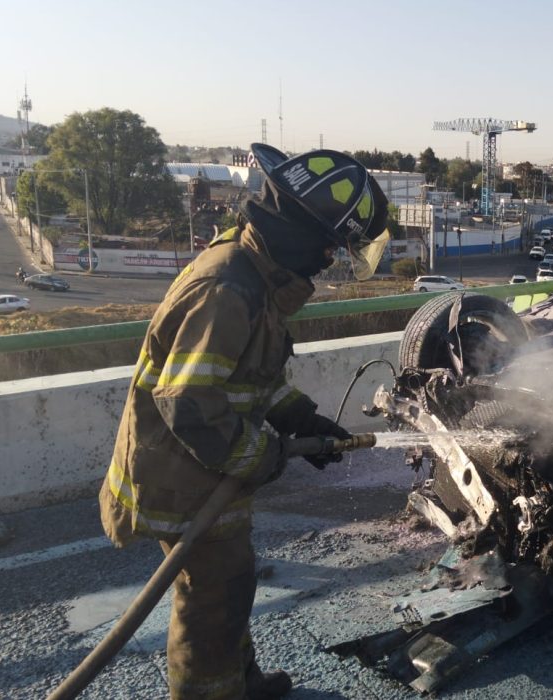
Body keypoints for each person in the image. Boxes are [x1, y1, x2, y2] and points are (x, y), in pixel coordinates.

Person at [99, 144, 391, 699]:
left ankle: (238, 682)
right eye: (330, 245)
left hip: (202, 471)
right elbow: (188, 402)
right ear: (301, 232)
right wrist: (267, 456)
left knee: (229, 583)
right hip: (181, 478)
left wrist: (304, 418)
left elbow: (247, 375)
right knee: (213, 595)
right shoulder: (230, 288)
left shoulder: (252, 270)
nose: (329, 260)